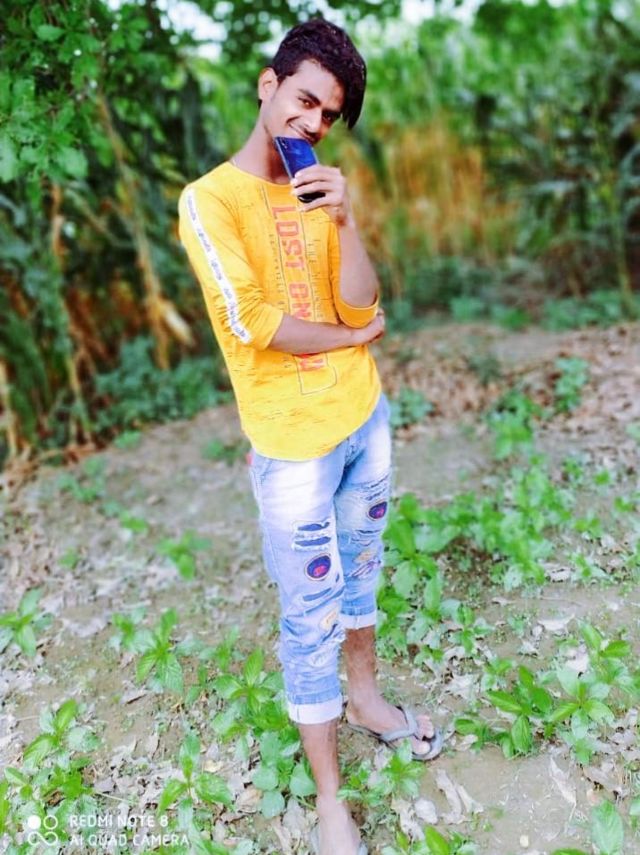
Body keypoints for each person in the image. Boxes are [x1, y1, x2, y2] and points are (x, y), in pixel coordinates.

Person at [178, 17, 444, 855]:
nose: (312, 123)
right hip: (293, 447)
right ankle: (330, 798)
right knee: (309, 617)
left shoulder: (317, 188)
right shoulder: (210, 201)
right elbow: (256, 323)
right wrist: (353, 339)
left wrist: (347, 219)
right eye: (303, 100)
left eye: (328, 114)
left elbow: (362, 301)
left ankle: (365, 699)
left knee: (363, 575)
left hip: (365, 421)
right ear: (268, 84)